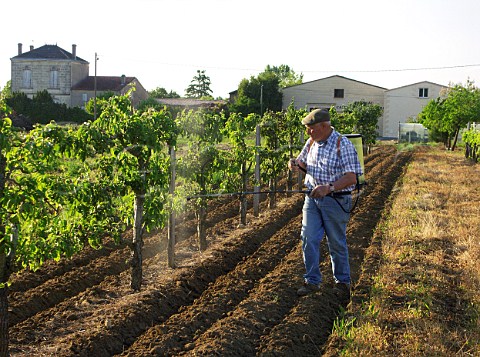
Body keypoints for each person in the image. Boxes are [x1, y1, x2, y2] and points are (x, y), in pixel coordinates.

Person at [288, 108, 363, 297]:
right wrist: (295, 165)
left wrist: (328, 188)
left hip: (335, 200)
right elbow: (302, 163)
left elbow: (351, 177)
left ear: (324, 126)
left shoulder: (342, 144)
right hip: (312, 199)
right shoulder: (311, 142)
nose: (308, 132)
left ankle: (342, 283)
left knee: (336, 242)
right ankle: (312, 281)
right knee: (308, 238)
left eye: (310, 128)